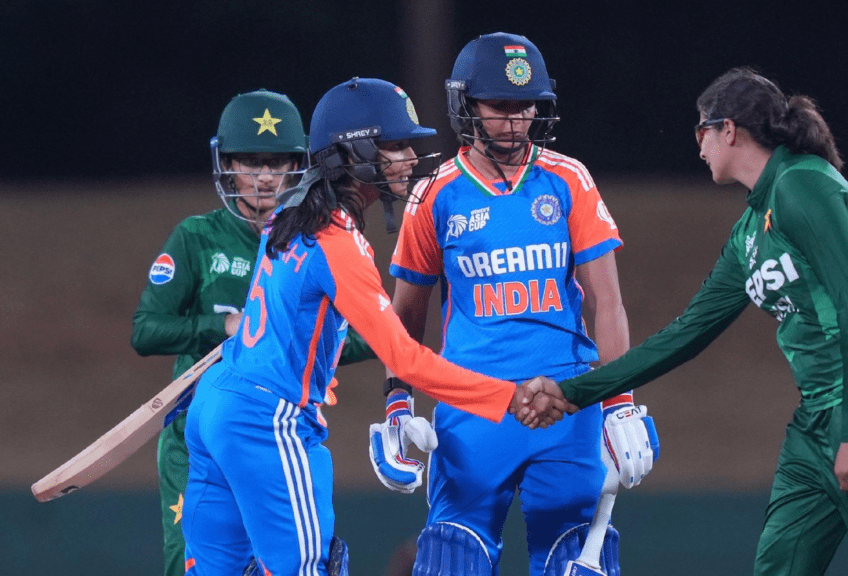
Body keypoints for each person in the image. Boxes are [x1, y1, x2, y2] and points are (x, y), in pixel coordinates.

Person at [528, 67, 848, 575]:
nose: (696, 145)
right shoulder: (750, 230)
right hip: (817, 416)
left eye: (699, 130)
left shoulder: (801, 182)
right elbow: (686, 334)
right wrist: (576, 392)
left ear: (728, 129)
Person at [179, 77, 568, 576]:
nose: (409, 157)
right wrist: (507, 396)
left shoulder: (288, 212)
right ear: (353, 152)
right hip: (267, 421)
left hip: (217, 401)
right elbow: (404, 356)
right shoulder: (338, 240)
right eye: (395, 146)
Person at [380, 32, 657, 576]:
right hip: (471, 402)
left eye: (527, 106)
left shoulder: (569, 178)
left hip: (569, 402)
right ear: (467, 105)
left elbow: (608, 302)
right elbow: (404, 319)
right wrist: (396, 405)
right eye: (502, 106)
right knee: (450, 557)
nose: (517, 120)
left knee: (574, 558)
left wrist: (619, 398)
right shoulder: (434, 192)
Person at [131, 88, 314, 576]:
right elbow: (145, 331)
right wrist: (225, 326)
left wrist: (295, 335)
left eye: (277, 163)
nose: (265, 177)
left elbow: (355, 340)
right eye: (250, 162)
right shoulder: (196, 238)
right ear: (226, 165)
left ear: (298, 167)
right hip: (195, 437)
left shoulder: (313, 246)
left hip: (276, 436)